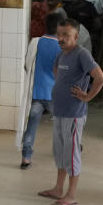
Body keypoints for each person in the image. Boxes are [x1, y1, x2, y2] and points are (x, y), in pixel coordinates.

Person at [37, 19, 103, 205]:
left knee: (72, 153)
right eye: (59, 34)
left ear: (75, 36)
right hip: (59, 112)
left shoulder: (81, 54)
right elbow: (56, 71)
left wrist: (87, 96)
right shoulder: (62, 54)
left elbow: (100, 77)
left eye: (66, 35)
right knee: (60, 152)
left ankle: (71, 194)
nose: (61, 38)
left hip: (73, 114)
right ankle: (58, 189)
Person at [19, 13, 64, 169]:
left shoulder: (36, 42)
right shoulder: (62, 46)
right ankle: (65, 151)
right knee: (62, 124)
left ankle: (26, 158)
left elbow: (27, 65)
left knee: (31, 125)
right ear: (60, 28)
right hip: (55, 95)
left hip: (37, 93)